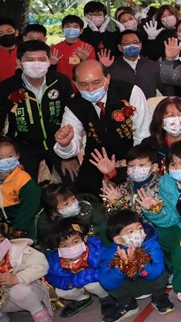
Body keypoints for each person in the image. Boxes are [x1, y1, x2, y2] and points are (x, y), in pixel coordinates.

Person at [53, 60, 151, 196]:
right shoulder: (73, 105)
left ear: (107, 79)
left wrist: (130, 161)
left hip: (131, 154)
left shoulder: (130, 92)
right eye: (83, 84)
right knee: (86, 194)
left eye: (96, 82)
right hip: (97, 158)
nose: (91, 89)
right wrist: (65, 144)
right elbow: (71, 147)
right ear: (75, 84)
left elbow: (143, 133)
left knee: (132, 193)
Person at [0, 40, 73, 182]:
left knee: (73, 180)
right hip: (23, 145)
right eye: (30, 60)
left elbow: (71, 115)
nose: (36, 64)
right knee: (23, 187)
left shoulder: (60, 81)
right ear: (19, 62)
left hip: (57, 142)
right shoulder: (7, 87)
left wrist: (70, 154)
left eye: (41, 59)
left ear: (49, 60)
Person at [99, 210, 172, 322]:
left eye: (139, 228)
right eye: (131, 231)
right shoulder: (111, 253)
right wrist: (121, 267)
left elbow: (157, 270)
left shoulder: (151, 244)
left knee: (162, 272)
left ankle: (158, 297)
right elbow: (106, 282)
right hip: (130, 288)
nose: (137, 233)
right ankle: (127, 304)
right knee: (110, 278)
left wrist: (140, 262)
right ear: (118, 239)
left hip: (150, 283)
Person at [45, 219, 113, 319]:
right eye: (64, 245)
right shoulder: (55, 260)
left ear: (85, 238)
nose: (71, 247)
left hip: (95, 282)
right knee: (61, 291)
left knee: (91, 285)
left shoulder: (96, 249)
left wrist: (87, 276)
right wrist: (73, 281)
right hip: (75, 283)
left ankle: (105, 297)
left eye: (76, 241)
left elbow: (108, 266)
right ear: (57, 247)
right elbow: (53, 277)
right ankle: (82, 299)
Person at [0, 220, 54, 322]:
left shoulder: (19, 249)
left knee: (19, 291)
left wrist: (17, 278)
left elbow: (41, 265)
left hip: (28, 291)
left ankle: (38, 312)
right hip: (5, 300)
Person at [35, 184, 107, 251]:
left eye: (73, 198)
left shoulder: (90, 209)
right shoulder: (46, 225)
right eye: (66, 203)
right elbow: (48, 247)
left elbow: (103, 229)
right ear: (54, 212)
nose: (73, 204)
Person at [100, 144, 163, 217]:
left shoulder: (162, 185)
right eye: (131, 166)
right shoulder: (123, 187)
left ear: (154, 167)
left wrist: (153, 208)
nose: (136, 169)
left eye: (141, 165)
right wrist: (115, 203)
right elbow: (114, 216)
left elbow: (165, 216)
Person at [0, 137, 40, 240]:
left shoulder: (23, 179)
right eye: (0, 158)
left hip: (26, 227)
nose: (5, 161)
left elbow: (29, 208)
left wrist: (17, 230)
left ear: (17, 155)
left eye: (10, 156)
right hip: (6, 229)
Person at [107, 30, 161, 100]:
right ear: (120, 47)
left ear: (140, 45)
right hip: (125, 109)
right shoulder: (113, 70)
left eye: (135, 42)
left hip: (150, 107)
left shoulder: (153, 66)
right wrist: (105, 69)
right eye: (126, 43)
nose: (131, 45)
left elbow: (167, 89)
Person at [0, 17, 19, 82]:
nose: (5, 35)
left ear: (16, 32)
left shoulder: (26, 52)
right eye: (0, 33)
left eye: (9, 31)